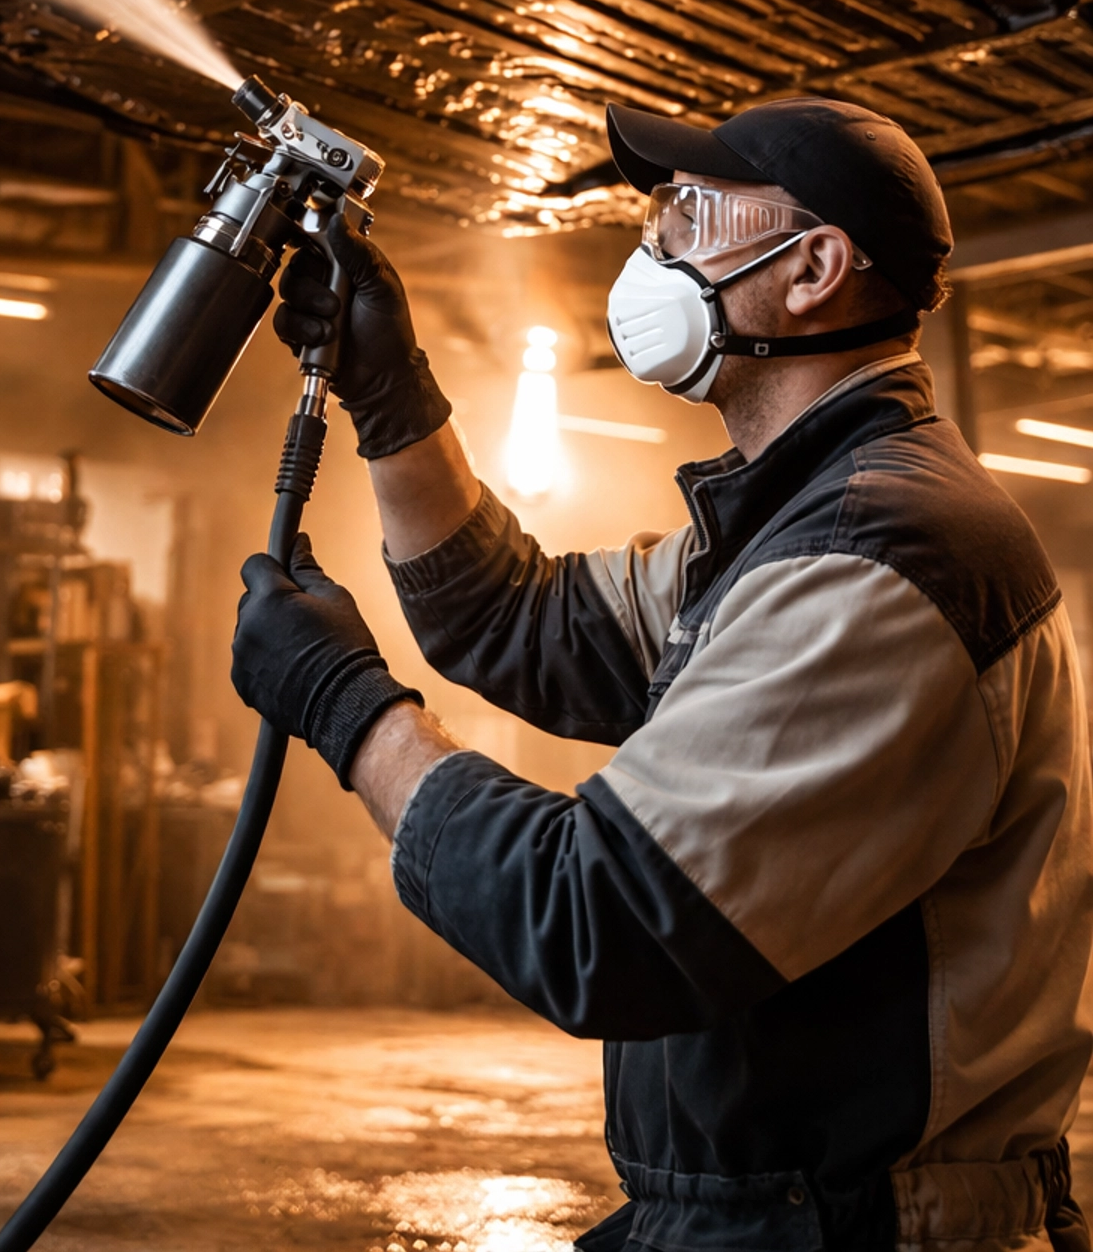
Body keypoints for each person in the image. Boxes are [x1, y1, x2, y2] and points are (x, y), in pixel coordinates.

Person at [231, 96, 1093, 1252]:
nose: (654, 243)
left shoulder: (883, 557)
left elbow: (598, 922)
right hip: (759, 1211)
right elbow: (517, 622)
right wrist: (391, 401)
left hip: (851, 1226)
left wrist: (348, 709)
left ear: (815, 269)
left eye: (689, 211)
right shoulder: (787, 523)